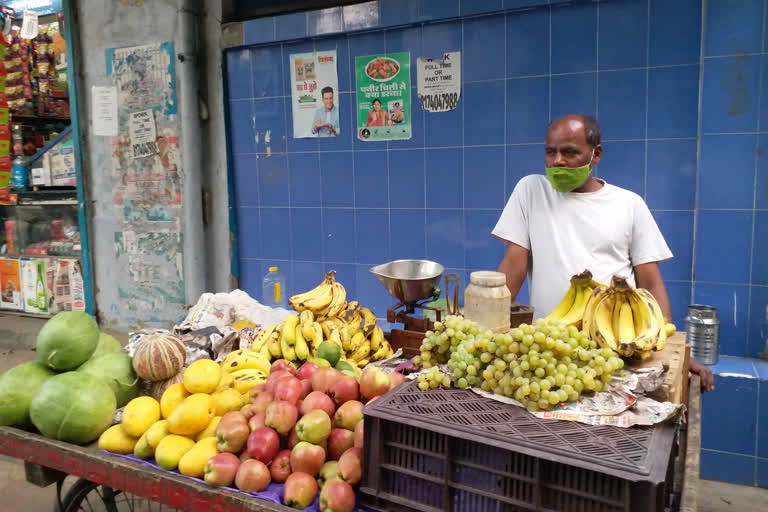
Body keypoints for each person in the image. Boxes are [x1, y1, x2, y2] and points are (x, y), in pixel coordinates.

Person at [492, 115, 714, 391]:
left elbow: (651, 283)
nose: (558, 161)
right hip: (552, 352)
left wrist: (673, 349)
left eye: (570, 152)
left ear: (596, 154)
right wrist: (482, 326)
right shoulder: (531, 191)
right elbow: (514, 265)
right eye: (551, 152)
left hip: (618, 353)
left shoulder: (629, 205)